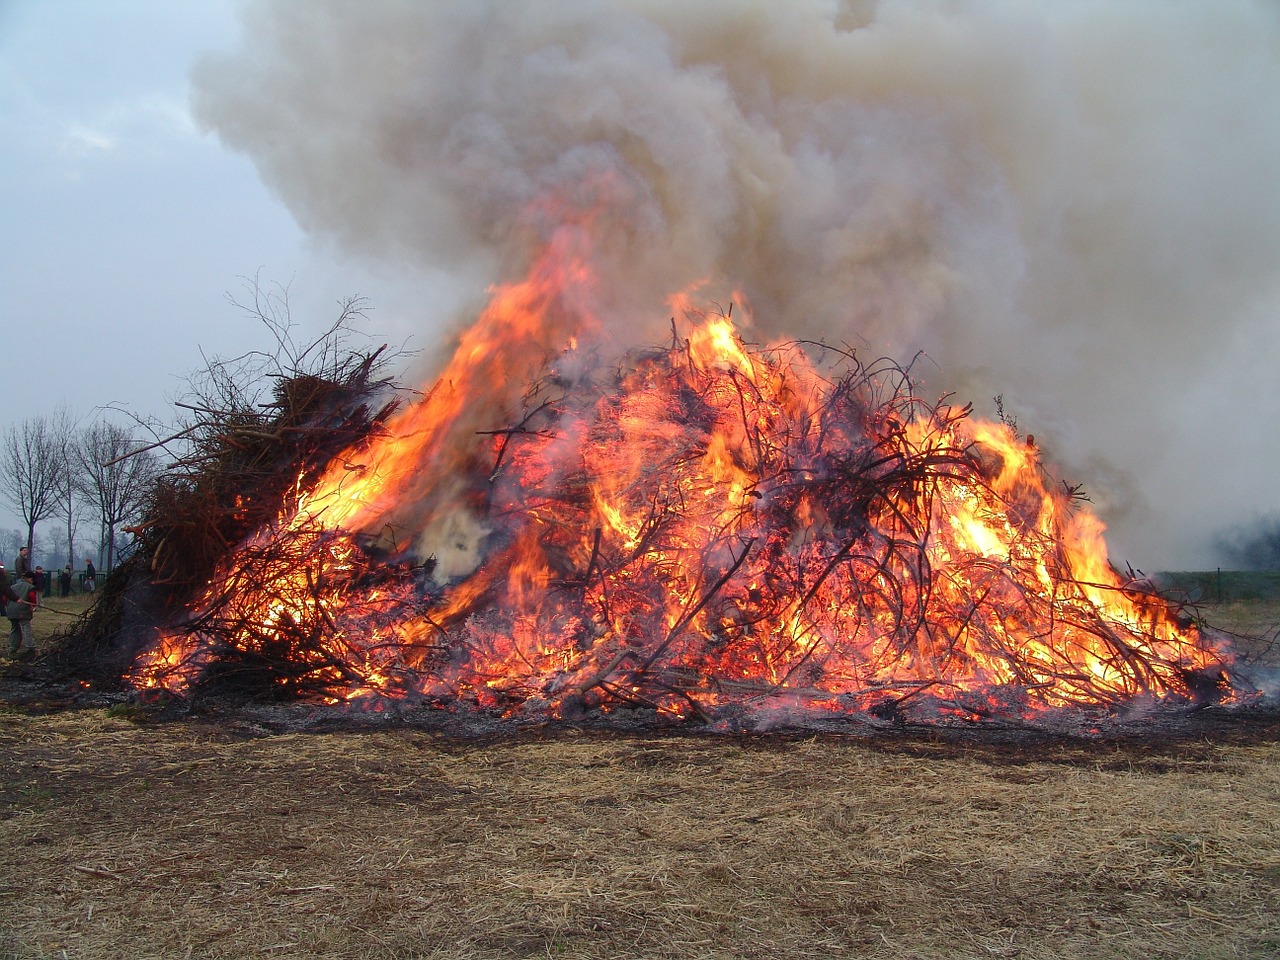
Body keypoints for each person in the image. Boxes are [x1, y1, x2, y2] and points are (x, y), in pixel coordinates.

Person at [6, 569, 38, 660]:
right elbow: (32, 597)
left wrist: (8, 606)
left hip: (11, 610)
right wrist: (33, 605)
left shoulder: (12, 587)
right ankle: (30, 647)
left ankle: (13, 648)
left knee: (15, 629)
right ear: (30, 579)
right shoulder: (30, 587)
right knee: (26, 628)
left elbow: (5, 598)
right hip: (23, 610)